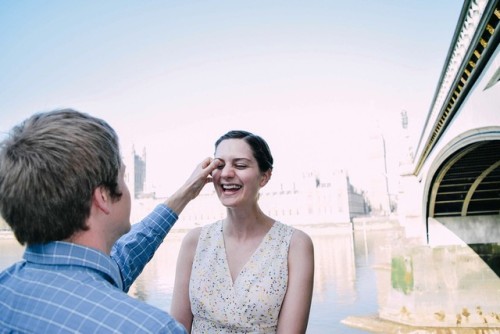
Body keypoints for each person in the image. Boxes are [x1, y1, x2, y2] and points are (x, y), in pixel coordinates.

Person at [0, 109, 221, 333]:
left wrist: (183, 195)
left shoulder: (6, 286)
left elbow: (118, 264)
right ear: (103, 197)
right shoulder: (152, 328)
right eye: (123, 177)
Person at [171, 130, 315, 333]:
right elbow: (177, 328)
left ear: (264, 177)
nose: (227, 173)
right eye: (219, 165)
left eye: (240, 165)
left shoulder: (295, 245)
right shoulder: (194, 242)